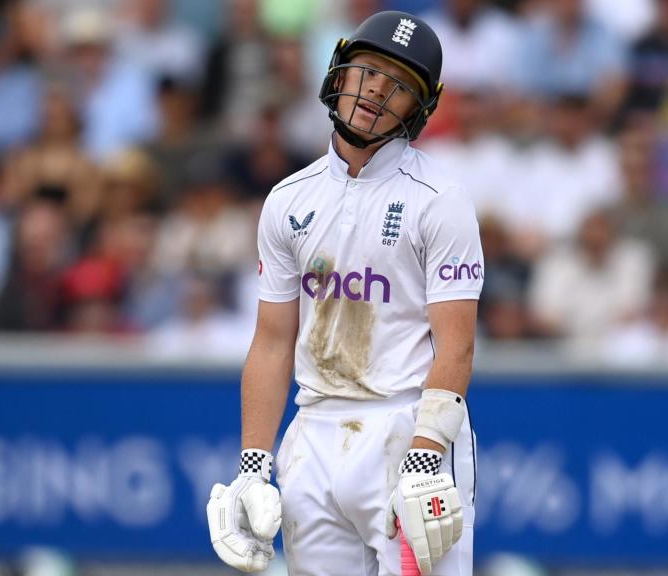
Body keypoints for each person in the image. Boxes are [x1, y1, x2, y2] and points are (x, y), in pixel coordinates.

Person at [205, 11, 483, 576]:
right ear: (338, 72)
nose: (378, 89)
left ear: (420, 109)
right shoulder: (287, 199)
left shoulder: (441, 200)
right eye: (368, 71)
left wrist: (428, 455)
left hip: (405, 426)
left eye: (400, 84)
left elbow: (456, 347)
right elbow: (272, 342)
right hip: (315, 433)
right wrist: (254, 465)